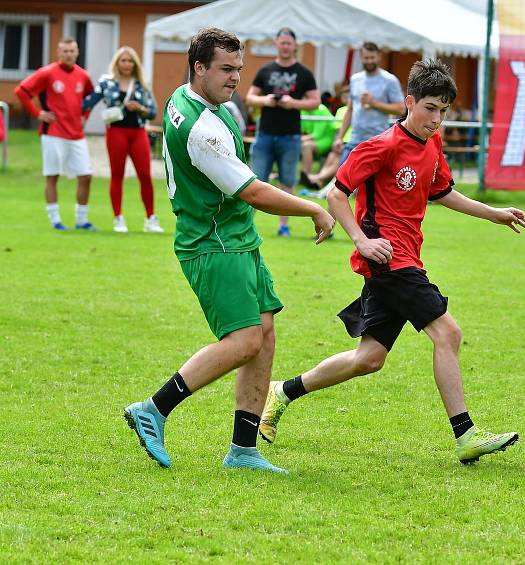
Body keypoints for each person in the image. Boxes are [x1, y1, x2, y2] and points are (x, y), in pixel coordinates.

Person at [258, 59, 525, 465]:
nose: (436, 120)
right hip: (390, 261)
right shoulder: (381, 146)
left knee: (369, 359)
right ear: (409, 102)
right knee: (448, 333)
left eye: (443, 111)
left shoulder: (432, 145)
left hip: (405, 258)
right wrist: (362, 241)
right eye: (430, 109)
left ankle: (283, 391)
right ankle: (466, 434)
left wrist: (493, 213)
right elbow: (336, 195)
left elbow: (442, 192)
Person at [123, 28, 335, 472]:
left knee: (263, 336)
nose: (236, 77)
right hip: (213, 242)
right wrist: (313, 208)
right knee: (244, 341)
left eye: (239, 69)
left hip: (236, 238)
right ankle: (154, 409)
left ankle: (243, 450)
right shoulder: (203, 128)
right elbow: (253, 192)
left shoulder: (189, 99)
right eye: (225, 69)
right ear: (198, 67)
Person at [15, 37, 95, 231]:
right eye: (65, 51)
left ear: (77, 52)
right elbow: (21, 91)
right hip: (53, 132)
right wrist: (38, 114)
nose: (69, 54)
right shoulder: (47, 73)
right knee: (53, 176)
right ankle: (55, 220)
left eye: (72, 50)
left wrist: (85, 115)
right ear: (58, 53)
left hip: (76, 133)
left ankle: (81, 220)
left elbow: (91, 97)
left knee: (86, 176)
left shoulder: (83, 75)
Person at [246, 28, 320, 237]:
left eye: (289, 43)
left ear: (295, 45)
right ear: (276, 44)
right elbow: (250, 97)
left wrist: (292, 103)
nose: (285, 46)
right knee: (255, 181)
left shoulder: (304, 72)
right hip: (265, 134)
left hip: (290, 136)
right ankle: (245, 225)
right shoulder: (265, 70)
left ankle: (283, 226)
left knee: (287, 181)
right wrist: (266, 100)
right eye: (282, 43)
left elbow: (315, 102)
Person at [82, 46, 162, 234]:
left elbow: (153, 112)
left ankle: (150, 218)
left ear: (135, 64)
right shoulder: (106, 83)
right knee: (117, 175)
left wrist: (139, 108)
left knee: (145, 175)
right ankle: (118, 218)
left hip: (138, 132)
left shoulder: (142, 84)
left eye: (130, 61)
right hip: (116, 131)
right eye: (123, 60)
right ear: (117, 63)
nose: (126, 64)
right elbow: (88, 102)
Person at [332, 42, 405, 165]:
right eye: (366, 58)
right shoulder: (355, 79)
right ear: (361, 57)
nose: (369, 61)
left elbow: (401, 109)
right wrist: (340, 137)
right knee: (342, 178)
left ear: (379, 57)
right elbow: (350, 110)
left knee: (371, 183)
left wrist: (374, 103)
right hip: (354, 140)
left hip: (378, 141)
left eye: (372, 57)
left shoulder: (389, 80)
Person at [298, 103, 336, 189]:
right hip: (311, 139)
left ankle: (306, 176)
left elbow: (317, 135)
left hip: (325, 139)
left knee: (306, 146)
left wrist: (299, 139)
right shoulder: (303, 109)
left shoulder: (321, 110)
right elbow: (302, 129)